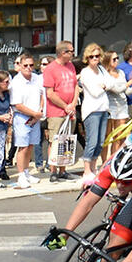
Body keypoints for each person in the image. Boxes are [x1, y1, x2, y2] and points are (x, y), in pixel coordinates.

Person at [77, 46, 121, 167]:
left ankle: (93, 167)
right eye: (92, 56)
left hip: (103, 109)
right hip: (92, 110)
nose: (95, 58)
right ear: (87, 58)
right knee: (92, 141)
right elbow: (94, 92)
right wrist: (103, 86)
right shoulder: (85, 72)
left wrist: (103, 85)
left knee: (100, 142)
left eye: (97, 56)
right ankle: (87, 170)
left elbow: (112, 83)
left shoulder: (101, 69)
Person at [41, 42, 78, 179]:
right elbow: (50, 93)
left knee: (66, 140)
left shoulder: (71, 66)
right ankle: (53, 171)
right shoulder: (50, 69)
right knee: (55, 140)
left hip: (70, 111)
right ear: (63, 53)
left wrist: (73, 104)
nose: (73, 53)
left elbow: (75, 86)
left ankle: (63, 170)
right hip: (56, 112)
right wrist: (65, 106)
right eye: (71, 51)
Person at [8, 54, 44, 186]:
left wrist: (39, 111)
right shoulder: (16, 82)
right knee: (22, 147)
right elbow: (18, 105)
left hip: (35, 118)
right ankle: (21, 175)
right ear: (20, 66)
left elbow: (42, 95)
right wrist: (34, 114)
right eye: (25, 65)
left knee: (30, 146)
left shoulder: (37, 78)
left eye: (31, 65)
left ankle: (27, 172)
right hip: (22, 118)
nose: (29, 68)